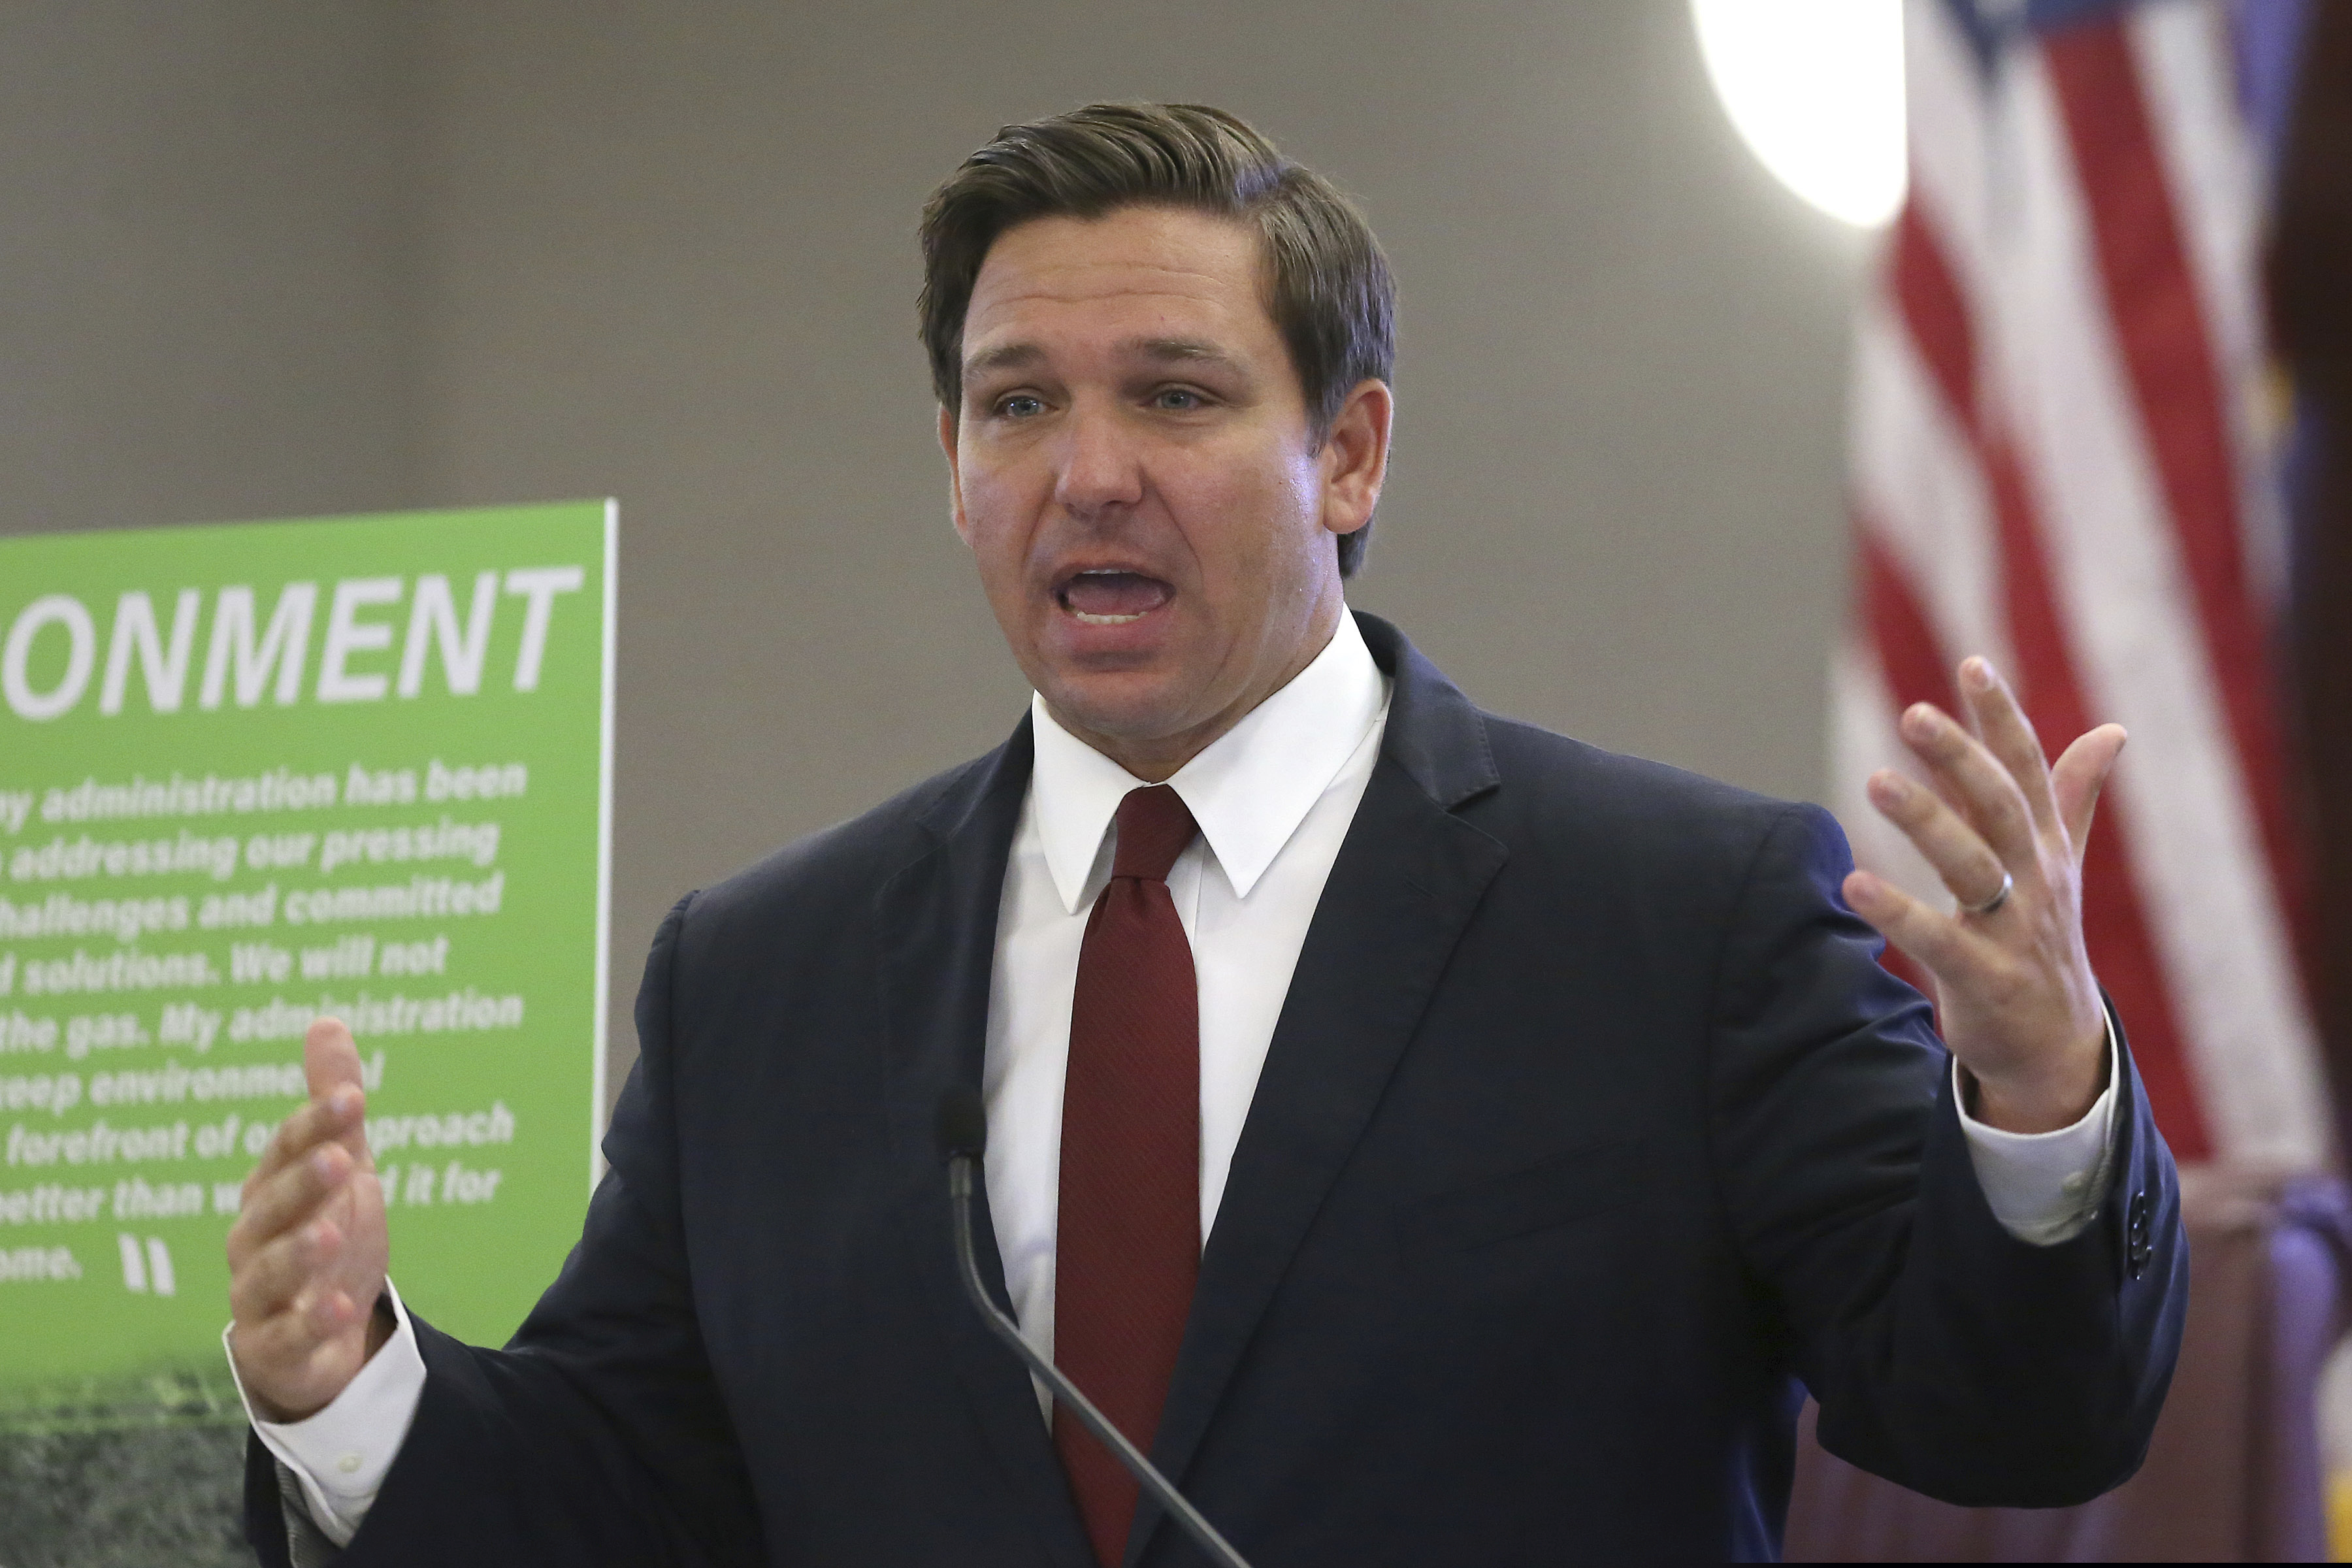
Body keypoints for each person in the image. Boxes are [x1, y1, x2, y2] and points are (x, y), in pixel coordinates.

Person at [225, 103, 2185, 1566]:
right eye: (1016, 407)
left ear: (1350, 453)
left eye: (1174, 396)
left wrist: (2038, 1105)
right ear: (952, 466)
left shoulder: (1678, 918)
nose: (1089, 474)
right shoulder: (763, 980)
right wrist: (352, 1384)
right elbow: (624, 1499)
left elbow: (2015, 1424)